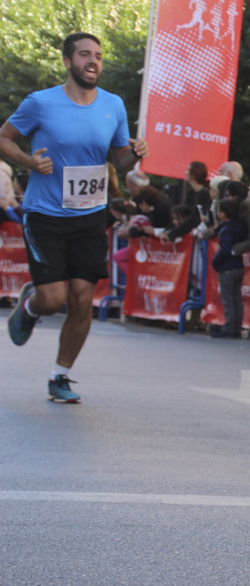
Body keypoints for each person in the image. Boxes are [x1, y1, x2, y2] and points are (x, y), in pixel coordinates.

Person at [1, 32, 149, 403]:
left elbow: (120, 160)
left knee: (82, 299)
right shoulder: (40, 103)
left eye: (97, 55)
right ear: (68, 62)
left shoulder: (113, 105)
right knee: (54, 300)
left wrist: (136, 153)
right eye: (84, 54)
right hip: (46, 215)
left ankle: (60, 376)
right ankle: (31, 304)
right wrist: (29, 161)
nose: (92, 61)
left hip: (89, 216)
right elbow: (4, 137)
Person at [211, 198, 247, 338]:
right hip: (238, 265)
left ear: (223, 214)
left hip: (227, 267)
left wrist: (216, 262)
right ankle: (237, 327)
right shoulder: (240, 226)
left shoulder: (226, 229)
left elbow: (225, 249)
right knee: (236, 298)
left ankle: (229, 327)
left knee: (228, 299)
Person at [163, 161, 211, 243]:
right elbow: (184, 212)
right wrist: (169, 230)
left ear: (193, 174)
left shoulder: (205, 194)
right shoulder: (191, 192)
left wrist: (173, 233)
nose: (185, 172)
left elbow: (194, 217)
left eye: (187, 170)